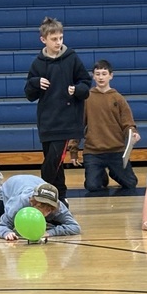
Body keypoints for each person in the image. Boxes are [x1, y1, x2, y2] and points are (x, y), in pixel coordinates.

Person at [24, 16, 91, 203]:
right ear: (43, 39)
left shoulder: (72, 58)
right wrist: (35, 83)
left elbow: (86, 83)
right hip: (47, 121)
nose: (58, 42)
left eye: (60, 38)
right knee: (56, 163)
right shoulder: (38, 64)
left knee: (52, 161)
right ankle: (60, 198)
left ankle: (41, 195)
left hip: (68, 121)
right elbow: (29, 94)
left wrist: (77, 89)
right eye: (54, 39)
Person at [80, 59, 140, 193]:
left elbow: (128, 123)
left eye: (104, 73)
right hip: (93, 152)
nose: (101, 77)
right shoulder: (86, 98)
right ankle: (101, 175)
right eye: (98, 74)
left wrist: (133, 133)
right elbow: (78, 124)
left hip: (116, 150)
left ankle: (114, 172)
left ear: (111, 76)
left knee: (131, 184)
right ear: (93, 76)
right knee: (92, 186)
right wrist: (73, 149)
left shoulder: (118, 98)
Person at [0, 174, 81, 242]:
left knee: (59, 219)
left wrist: (51, 233)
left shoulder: (58, 207)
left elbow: (75, 227)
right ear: (34, 202)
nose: (47, 211)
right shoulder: (19, 203)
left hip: (33, 182)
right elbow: (0, 226)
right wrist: (6, 233)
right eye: (41, 207)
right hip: (10, 189)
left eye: (49, 209)